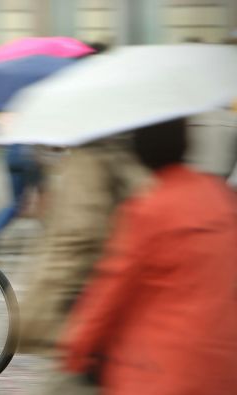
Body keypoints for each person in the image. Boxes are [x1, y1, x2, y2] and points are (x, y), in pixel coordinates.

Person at [61, 118, 237, 395]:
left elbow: (111, 291)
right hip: (223, 369)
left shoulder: (149, 210)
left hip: (160, 372)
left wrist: (77, 349)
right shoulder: (221, 197)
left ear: (141, 153)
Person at [16, 134, 149, 395]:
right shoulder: (134, 157)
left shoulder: (89, 160)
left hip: (84, 317)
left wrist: (33, 316)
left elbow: (75, 240)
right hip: (125, 322)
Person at [0, 143, 43, 251]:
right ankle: (54, 235)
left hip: (12, 157)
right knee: (43, 199)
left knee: (17, 204)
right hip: (30, 157)